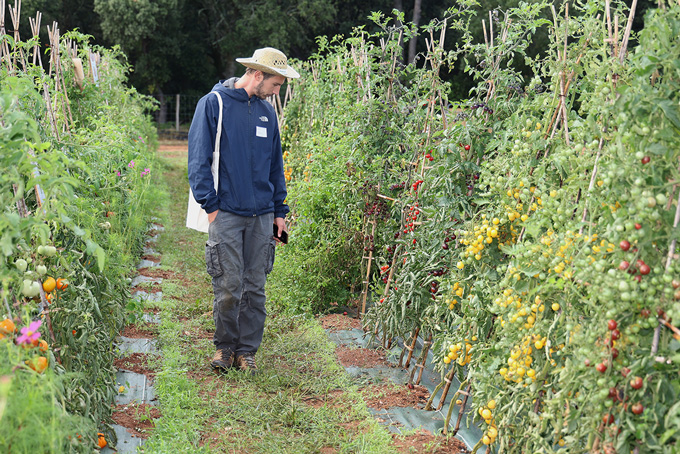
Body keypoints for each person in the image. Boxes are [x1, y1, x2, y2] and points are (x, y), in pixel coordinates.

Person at [187, 47, 299, 374]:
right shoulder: (214, 105)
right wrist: (211, 208)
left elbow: (276, 167)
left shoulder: (267, 114)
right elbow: (197, 163)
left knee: (256, 287)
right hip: (227, 213)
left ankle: (246, 352)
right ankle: (224, 348)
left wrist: (280, 212)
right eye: (276, 84)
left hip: (263, 216)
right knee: (228, 284)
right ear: (258, 75)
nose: (278, 91)